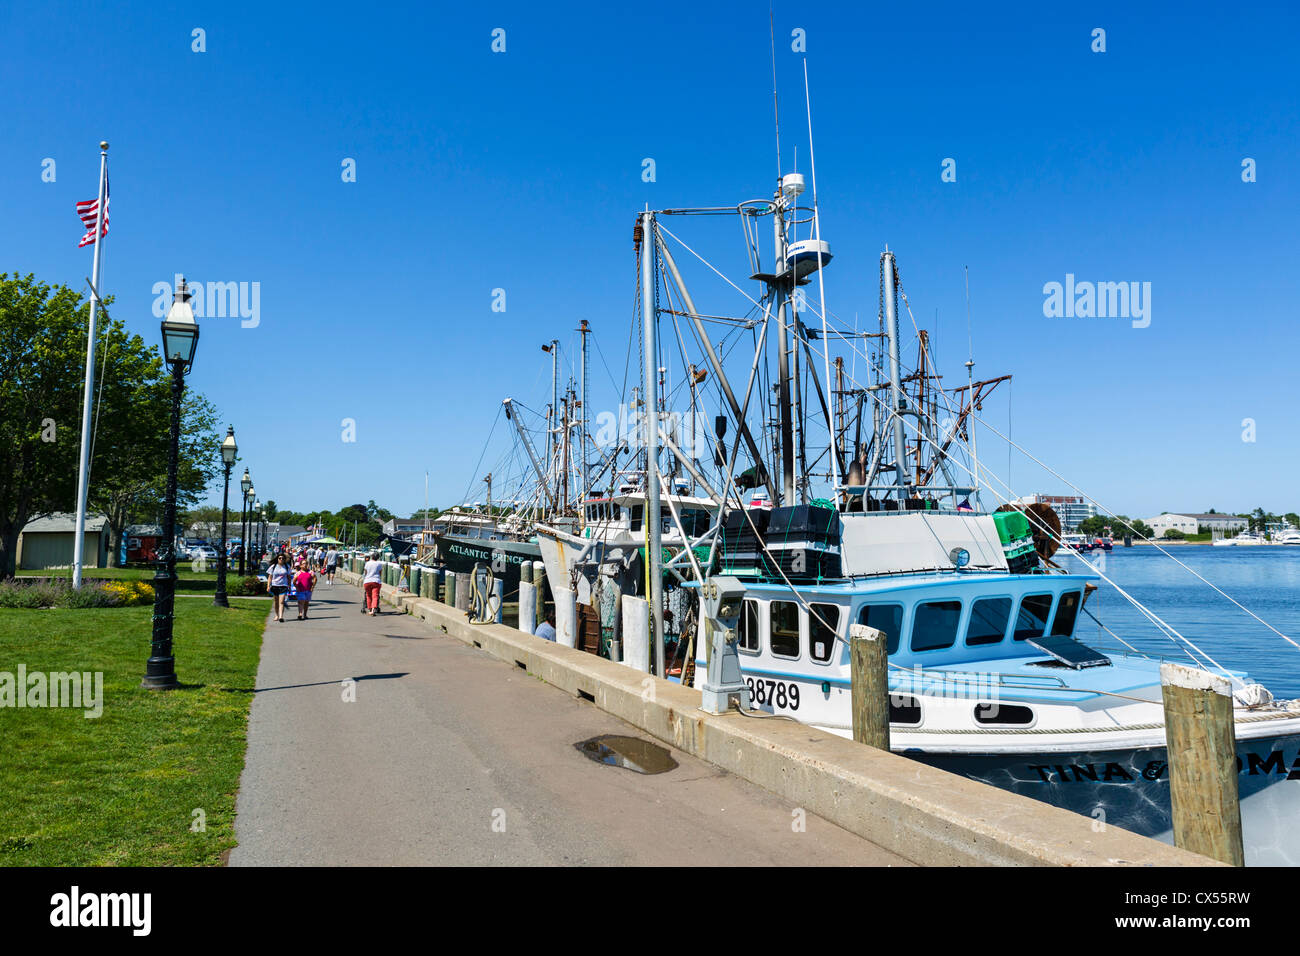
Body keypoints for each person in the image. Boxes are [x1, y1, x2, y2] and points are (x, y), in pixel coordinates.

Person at [267, 553, 291, 623]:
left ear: (284, 559)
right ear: (277, 559)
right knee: (276, 602)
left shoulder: (287, 566)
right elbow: (270, 577)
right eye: (279, 558)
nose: (281, 559)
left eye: (283, 558)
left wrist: (289, 586)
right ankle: (277, 615)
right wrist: (268, 586)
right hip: (275, 586)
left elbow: (289, 577)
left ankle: (281, 616)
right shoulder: (273, 566)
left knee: (282, 602)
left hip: (283, 585)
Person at [362, 551, 383, 616]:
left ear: (372, 556)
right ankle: (373, 610)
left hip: (367, 581)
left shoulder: (367, 563)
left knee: (368, 595)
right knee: (375, 596)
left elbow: (365, 572)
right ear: (378, 557)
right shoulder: (379, 564)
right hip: (376, 581)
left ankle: (370, 609)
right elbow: (380, 573)